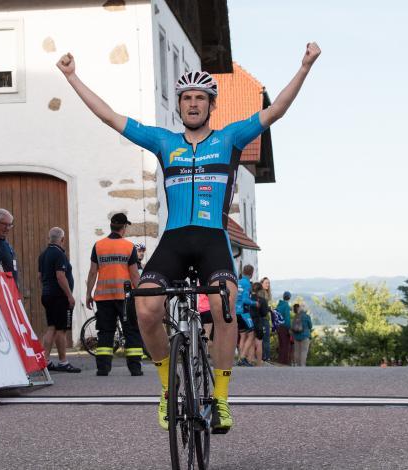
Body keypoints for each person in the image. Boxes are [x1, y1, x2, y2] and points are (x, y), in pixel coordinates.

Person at [56, 42, 321, 433]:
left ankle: (222, 400)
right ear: (179, 105)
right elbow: (111, 117)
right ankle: (167, 391)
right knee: (145, 308)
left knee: (225, 303)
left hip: (213, 238)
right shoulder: (166, 143)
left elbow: (275, 110)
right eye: (187, 98)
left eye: (201, 98)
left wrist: (304, 67)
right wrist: (71, 76)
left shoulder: (230, 138)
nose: (193, 104)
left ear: (211, 105)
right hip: (175, 240)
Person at [86, 213, 143, 376]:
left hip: (103, 298)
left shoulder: (98, 245)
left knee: (105, 332)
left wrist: (88, 294)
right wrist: (140, 294)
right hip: (125, 297)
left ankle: (103, 368)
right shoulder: (129, 247)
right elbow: (134, 275)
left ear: (111, 226)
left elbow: (92, 273)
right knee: (131, 330)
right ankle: (135, 368)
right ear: (123, 228)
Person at [38, 227, 81, 373]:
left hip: (47, 294)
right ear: (62, 239)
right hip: (59, 297)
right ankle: (63, 362)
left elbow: (40, 276)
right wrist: (69, 295)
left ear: (49, 238)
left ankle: (45, 360)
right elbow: (60, 276)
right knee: (61, 330)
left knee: (51, 327)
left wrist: (47, 288)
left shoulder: (43, 255)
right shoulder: (59, 254)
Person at [236, 265, 257, 366]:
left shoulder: (238, 282)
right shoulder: (247, 284)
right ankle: (243, 358)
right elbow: (245, 300)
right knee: (251, 334)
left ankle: (240, 358)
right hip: (244, 312)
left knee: (243, 336)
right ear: (251, 274)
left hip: (236, 312)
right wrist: (255, 303)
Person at [275, 291, 292, 365]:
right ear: (289, 298)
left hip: (278, 326)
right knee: (286, 345)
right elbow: (287, 319)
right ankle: (284, 362)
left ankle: (280, 361)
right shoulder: (286, 306)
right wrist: (289, 328)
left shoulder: (279, 305)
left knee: (281, 344)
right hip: (284, 327)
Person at [260, 277, 273, 362]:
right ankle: (266, 357)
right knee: (265, 338)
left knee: (265, 338)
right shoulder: (262, 293)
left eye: (268, 283)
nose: (267, 285)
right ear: (261, 284)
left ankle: (265, 356)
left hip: (265, 318)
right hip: (262, 318)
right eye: (266, 283)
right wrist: (269, 308)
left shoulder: (267, 294)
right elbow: (262, 306)